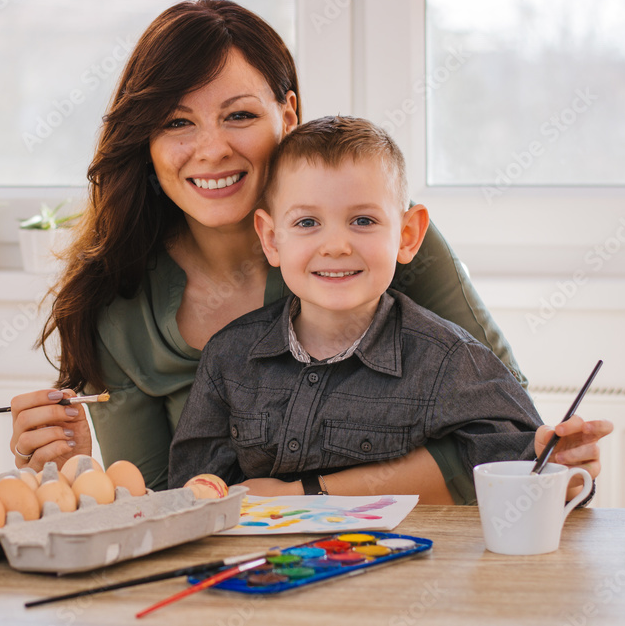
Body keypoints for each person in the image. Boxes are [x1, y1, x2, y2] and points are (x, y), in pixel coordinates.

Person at [9, 0, 611, 503]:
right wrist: (78, 474)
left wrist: (313, 495)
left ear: (287, 115)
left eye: (239, 114)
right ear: (146, 140)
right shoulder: (117, 299)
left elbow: (507, 441)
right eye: (176, 123)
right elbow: (171, 502)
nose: (211, 149)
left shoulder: (381, 245)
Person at [169, 116, 563, 501]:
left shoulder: (446, 359)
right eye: (307, 222)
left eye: (362, 220)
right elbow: (191, 490)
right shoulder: (228, 357)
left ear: (407, 235)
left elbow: (531, 466)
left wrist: (563, 465)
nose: (336, 245)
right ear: (271, 239)